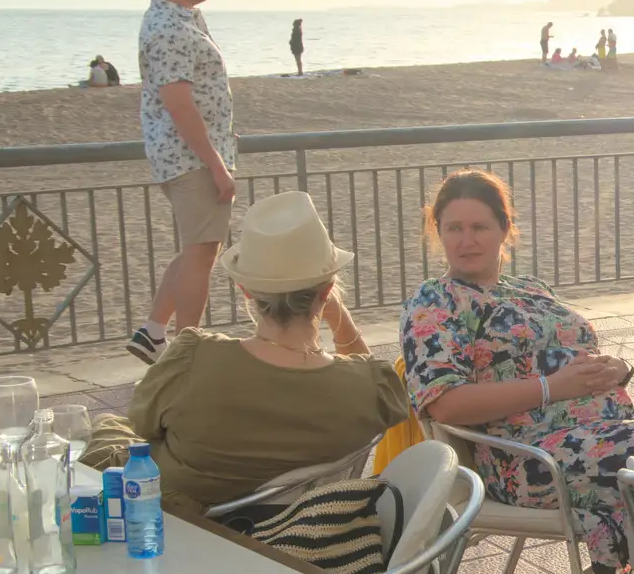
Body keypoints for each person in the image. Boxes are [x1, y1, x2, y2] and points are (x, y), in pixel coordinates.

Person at [400, 169, 634, 574]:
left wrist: (617, 368)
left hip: (606, 432)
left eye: (480, 227)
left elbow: (567, 353)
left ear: (505, 229)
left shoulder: (530, 288)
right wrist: (552, 389)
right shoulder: (436, 301)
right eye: (454, 228)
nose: (467, 240)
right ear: (438, 232)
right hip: (530, 459)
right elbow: (443, 404)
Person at [88, 191, 408, 517]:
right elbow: (381, 384)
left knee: (106, 427)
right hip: (303, 534)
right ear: (327, 294)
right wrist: (342, 323)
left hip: (184, 532)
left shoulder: (193, 360)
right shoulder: (367, 388)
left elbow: (142, 424)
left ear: (246, 291)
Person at [126, 0, 236, 366]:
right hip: (191, 159)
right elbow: (178, 103)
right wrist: (217, 164)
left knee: (198, 248)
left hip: (187, 157)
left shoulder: (179, 20)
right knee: (202, 253)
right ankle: (187, 353)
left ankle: (154, 332)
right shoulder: (169, 28)